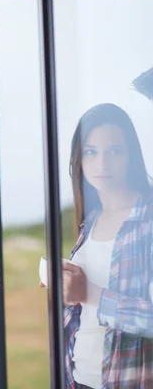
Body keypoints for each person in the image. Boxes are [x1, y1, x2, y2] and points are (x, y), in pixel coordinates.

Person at [60, 103, 153, 388]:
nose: (102, 164)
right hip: (80, 378)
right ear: (80, 158)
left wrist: (89, 293)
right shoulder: (92, 220)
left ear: (131, 156)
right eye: (91, 152)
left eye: (115, 151)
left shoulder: (148, 220)